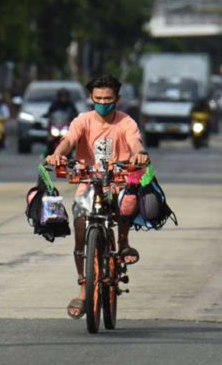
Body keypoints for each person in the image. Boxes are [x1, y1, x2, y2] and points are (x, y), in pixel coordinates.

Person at [45, 74, 149, 319]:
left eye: (108, 98)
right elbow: (68, 140)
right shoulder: (82, 121)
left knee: (126, 203)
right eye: (99, 98)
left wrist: (139, 155)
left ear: (117, 99)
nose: (103, 102)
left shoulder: (126, 122)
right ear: (91, 98)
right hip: (88, 183)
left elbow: (135, 143)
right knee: (80, 227)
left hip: (119, 182)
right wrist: (57, 154)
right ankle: (84, 287)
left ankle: (122, 243)